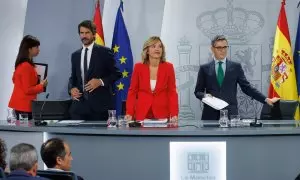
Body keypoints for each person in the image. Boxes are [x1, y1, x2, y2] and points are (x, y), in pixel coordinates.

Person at [194, 35, 279, 120]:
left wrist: (266, 99)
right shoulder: (204, 68)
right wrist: (205, 96)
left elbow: (247, 87)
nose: (222, 50)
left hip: (230, 115)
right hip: (210, 115)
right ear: (212, 49)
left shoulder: (236, 67)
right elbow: (198, 91)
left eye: (225, 47)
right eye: (219, 48)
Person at [69, 20, 121, 120]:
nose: (84, 36)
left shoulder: (104, 52)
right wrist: (71, 89)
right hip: (79, 108)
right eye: (82, 33)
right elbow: (73, 77)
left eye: (87, 33)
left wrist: (100, 81)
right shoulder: (75, 55)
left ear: (94, 34)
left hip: (100, 108)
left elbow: (116, 73)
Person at [125, 36, 178, 121]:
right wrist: (129, 112)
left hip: (162, 113)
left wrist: (174, 113)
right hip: (142, 112)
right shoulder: (138, 67)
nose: (157, 49)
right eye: (153, 46)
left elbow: (172, 92)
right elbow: (132, 91)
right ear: (147, 51)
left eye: (160, 46)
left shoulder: (168, 67)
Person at [8, 35, 48, 120]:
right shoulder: (26, 66)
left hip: (21, 106)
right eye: (36, 47)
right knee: (25, 132)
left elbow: (15, 80)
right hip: (24, 107)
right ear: (29, 49)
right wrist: (41, 85)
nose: (38, 49)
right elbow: (27, 89)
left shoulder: (22, 65)